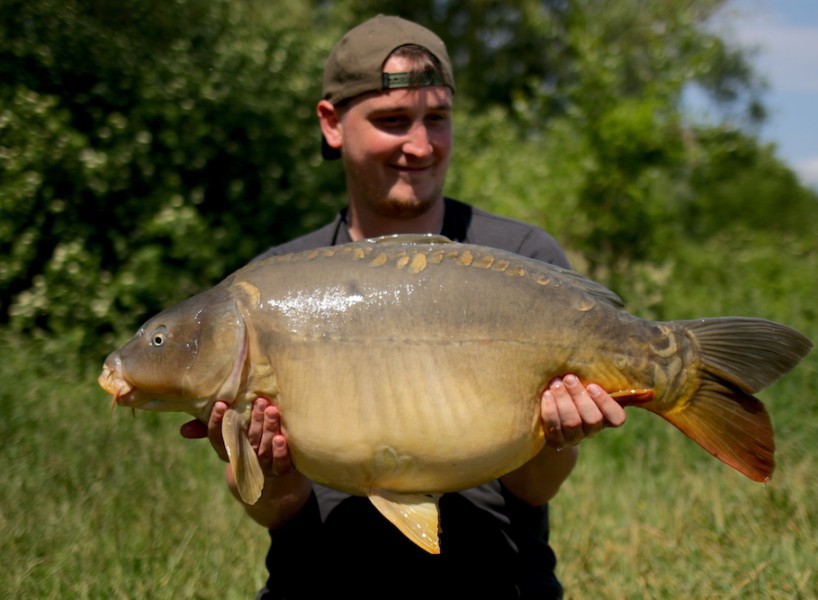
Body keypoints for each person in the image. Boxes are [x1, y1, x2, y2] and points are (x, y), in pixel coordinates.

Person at [181, 15, 626, 599]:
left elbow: (533, 491)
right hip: (321, 584)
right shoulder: (271, 286)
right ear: (332, 123)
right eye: (393, 121)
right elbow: (280, 513)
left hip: (498, 580)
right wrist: (266, 464)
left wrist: (558, 434)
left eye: (436, 120)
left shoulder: (519, 259)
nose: (419, 146)